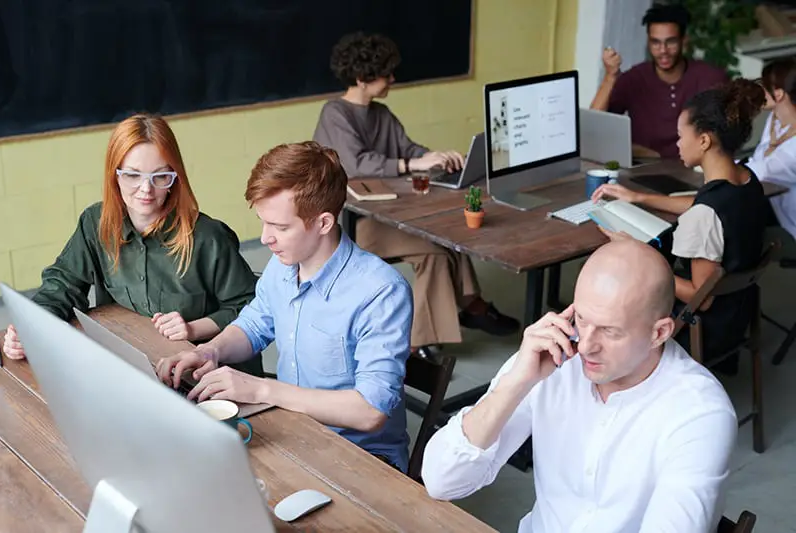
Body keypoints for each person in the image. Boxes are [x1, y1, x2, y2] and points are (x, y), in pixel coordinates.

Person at [422, 240, 737, 533]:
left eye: (610, 331)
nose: (585, 346)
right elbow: (442, 481)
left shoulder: (700, 412)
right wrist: (516, 381)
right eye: (582, 320)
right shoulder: (552, 355)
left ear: (660, 333)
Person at [155, 141, 413, 472]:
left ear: (323, 223)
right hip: (294, 434)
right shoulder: (283, 266)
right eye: (263, 223)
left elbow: (370, 411)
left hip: (360, 459)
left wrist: (262, 389)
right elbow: (253, 325)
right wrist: (210, 351)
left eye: (280, 227)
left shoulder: (380, 291)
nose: (265, 238)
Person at [313, 31, 519, 354]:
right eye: (385, 73)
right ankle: (417, 343)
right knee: (435, 251)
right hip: (356, 222)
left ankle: (471, 307)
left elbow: (408, 149)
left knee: (447, 238)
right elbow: (356, 164)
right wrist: (414, 162)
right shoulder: (334, 114)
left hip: (389, 213)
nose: (392, 79)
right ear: (362, 78)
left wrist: (438, 158)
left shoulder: (382, 114)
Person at [2, 114, 257, 360]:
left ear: (174, 178)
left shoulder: (208, 238)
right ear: (115, 175)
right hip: (138, 357)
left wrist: (194, 328)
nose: (146, 189)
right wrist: (32, 327)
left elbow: (252, 305)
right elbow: (62, 284)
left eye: (160, 177)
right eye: (133, 175)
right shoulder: (96, 222)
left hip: (210, 371)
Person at [593, 78, 769, 369]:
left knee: (622, 299)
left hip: (704, 329)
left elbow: (702, 297)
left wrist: (639, 254)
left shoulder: (704, 216)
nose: (677, 143)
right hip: (738, 316)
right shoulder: (746, 181)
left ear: (704, 140)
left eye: (680, 135)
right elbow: (706, 204)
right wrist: (638, 196)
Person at [590, 3, 728, 159]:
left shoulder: (710, 77)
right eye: (655, 42)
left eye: (671, 42)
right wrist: (610, 76)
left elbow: (725, 136)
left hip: (696, 172)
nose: (663, 50)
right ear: (648, 42)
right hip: (643, 169)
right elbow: (593, 129)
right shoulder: (635, 78)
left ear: (684, 41)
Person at [746, 58, 796, 258]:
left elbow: (763, 171)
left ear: (779, 93)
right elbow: (758, 159)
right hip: (774, 207)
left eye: (764, 85)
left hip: (788, 223)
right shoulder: (776, 120)